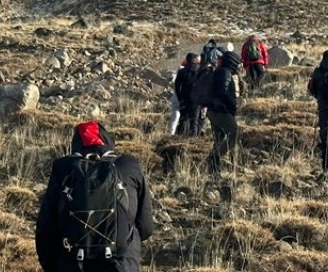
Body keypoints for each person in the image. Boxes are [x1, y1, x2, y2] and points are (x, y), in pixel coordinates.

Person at [36, 121, 155, 272]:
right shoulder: (127, 166)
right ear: (107, 141)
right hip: (119, 263)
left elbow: (45, 227)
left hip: (72, 263)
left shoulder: (62, 168)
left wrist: (53, 265)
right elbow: (145, 227)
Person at [205, 50, 244, 172]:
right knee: (235, 134)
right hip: (221, 111)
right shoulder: (225, 73)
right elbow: (223, 92)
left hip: (213, 110)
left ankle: (213, 169)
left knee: (219, 139)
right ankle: (214, 158)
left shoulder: (219, 72)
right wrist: (232, 104)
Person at [173, 53, 206, 136]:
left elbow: (177, 86)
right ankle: (193, 139)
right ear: (195, 60)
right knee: (194, 121)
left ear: (187, 60)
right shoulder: (201, 71)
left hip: (184, 98)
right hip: (196, 100)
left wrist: (180, 98)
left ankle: (181, 136)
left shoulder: (181, 71)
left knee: (183, 119)